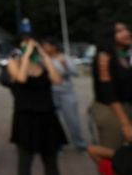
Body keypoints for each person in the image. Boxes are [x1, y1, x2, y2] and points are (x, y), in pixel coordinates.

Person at [7, 36, 66, 175]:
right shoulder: (14, 63)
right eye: (25, 47)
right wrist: (25, 55)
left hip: (47, 119)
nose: (31, 49)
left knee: (51, 163)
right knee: (25, 162)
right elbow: (21, 78)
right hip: (25, 120)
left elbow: (57, 79)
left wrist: (43, 55)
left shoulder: (43, 65)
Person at [89, 21, 132, 151]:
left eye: (126, 29)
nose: (127, 33)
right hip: (111, 111)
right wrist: (125, 124)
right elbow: (108, 92)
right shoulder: (104, 57)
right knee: (114, 154)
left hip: (125, 107)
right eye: (119, 31)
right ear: (108, 36)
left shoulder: (124, 56)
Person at [40, 38, 87, 150]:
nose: (44, 48)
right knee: (53, 120)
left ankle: (79, 143)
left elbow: (75, 73)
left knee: (72, 119)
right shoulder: (42, 59)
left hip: (66, 92)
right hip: (50, 92)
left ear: (53, 46)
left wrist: (65, 66)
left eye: (46, 45)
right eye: (42, 46)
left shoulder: (64, 58)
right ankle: (58, 145)